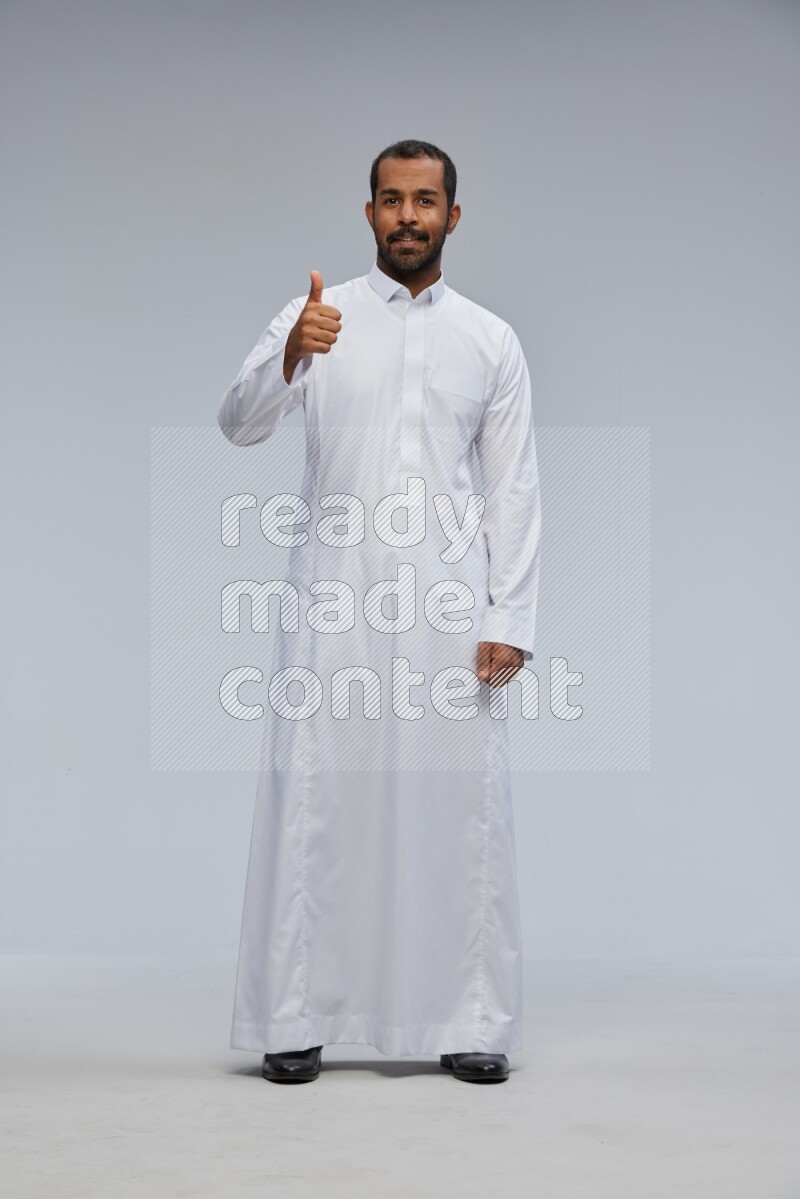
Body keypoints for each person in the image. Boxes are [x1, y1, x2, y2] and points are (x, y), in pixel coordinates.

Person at [217, 139, 542, 1084]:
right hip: (335, 603)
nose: (409, 216)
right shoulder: (318, 316)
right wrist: (288, 356)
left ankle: (469, 1019)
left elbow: (514, 487)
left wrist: (509, 616)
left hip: (449, 609)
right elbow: (237, 423)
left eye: (426, 200)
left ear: (452, 215)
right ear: (368, 214)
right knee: (320, 803)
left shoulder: (491, 339)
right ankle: (295, 1016)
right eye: (392, 200)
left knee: (458, 807)